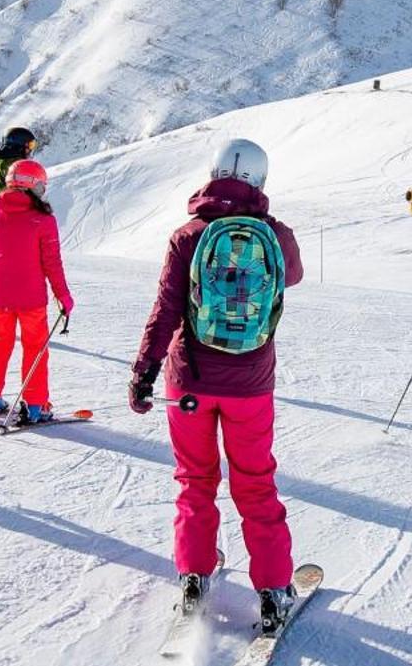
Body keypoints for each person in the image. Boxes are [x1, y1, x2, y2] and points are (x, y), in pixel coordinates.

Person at [128, 138, 306, 634]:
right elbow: (292, 277)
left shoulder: (187, 236)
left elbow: (165, 310)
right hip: (251, 384)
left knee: (194, 479)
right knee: (255, 483)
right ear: (260, 181)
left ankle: (193, 576)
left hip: (190, 382)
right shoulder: (275, 234)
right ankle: (272, 590)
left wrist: (144, 372)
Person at [0, 159, 73, 424]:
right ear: (32, 185)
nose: (43, 191)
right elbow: (52, 263)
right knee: (35, 347)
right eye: (41, 185)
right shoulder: (42, 220)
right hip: (31, 298)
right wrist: (63, 296)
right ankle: (35, 406)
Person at [0, 127, 37, 207]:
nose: (30, 150)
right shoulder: (16, 165)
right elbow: (29, 194)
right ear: (20, 146)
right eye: (30, 145)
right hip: (13, 215)